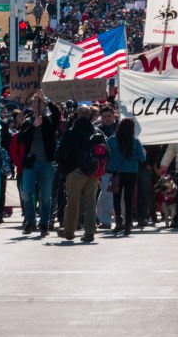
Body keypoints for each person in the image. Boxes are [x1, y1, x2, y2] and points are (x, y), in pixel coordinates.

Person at [55, 105, 103, 243]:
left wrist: (63, 168)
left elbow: (60, 152)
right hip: (93, 171)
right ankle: (89, 233)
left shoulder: (71, 131)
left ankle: (69, 232)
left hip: (75, 171)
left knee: (72, 202)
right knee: (90, 202)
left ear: (77, 114)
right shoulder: (95, 131)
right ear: (89, 116)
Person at [17, 96, 61, 237]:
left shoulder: (49, 121)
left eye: (40, 103)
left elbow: (57, 114)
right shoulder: (28, 122)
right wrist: (33, 126)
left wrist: (47, 101)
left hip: (47, 164)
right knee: (27, 193)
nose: (37, 105)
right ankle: (30, 222)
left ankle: (44, 223)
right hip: (31, 164)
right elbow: (21, 139)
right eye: (36, 103)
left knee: (46, 197)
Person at [107, 117, 146, 235]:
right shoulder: (135, 141)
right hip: (132, 172)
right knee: (128, 199)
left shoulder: (112, 140)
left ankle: (118, 222)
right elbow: (142, 159)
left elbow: (105, 153)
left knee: (116, 198)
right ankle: (128, 225)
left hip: (116, 173)